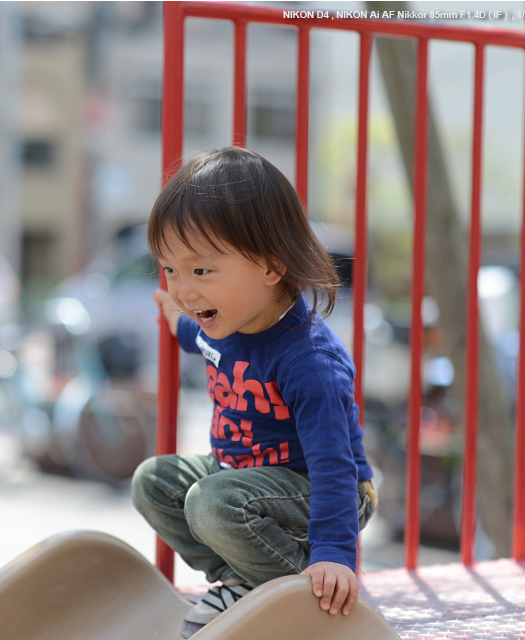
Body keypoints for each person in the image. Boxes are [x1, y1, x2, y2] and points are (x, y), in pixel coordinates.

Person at [131, 146, 377, 638]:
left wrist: (335, 553)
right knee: (154, 481)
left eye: (200, 271)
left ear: (270, 266)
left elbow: (334, 463)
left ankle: (308, 594)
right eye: (171, 270)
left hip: (322, 492)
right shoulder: (224, 321)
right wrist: (172, 312)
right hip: (240, 481)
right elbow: (191, 334)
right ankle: (240, 580)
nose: (183, 289)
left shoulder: (308, 360)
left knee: (210, 502)